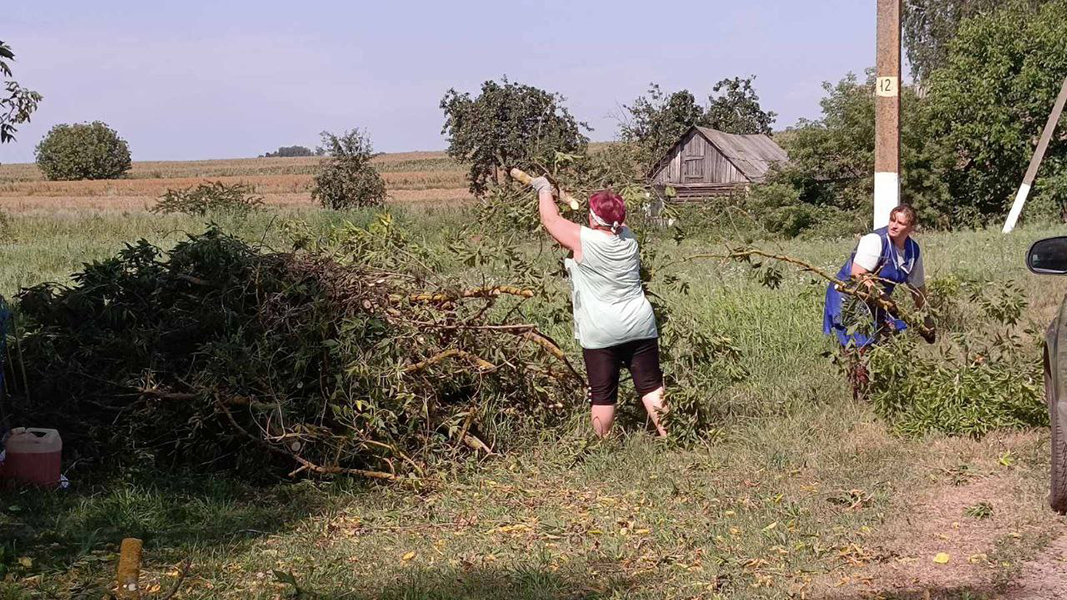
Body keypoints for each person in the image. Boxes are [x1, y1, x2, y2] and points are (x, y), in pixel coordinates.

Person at [528, 176, 666, 437]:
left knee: (603, 394)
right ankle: (673, 435)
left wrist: (544, 189)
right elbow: (612, 222)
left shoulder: (585, 241)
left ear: (593, 219)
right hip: (640, 324)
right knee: (651, 386)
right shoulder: (629, 238)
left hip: (602, 331)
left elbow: (551, 221)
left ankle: (601, 446)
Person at [823, 204, 934, 395]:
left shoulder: (913, 251)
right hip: (849, 297)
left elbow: (917, 289)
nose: (894, 226)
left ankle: (890, 388)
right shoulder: (875, 240)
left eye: (900, 223)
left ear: (911, 228)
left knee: (893, 336)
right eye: (892, 220)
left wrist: (927, 318)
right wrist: (883, 298)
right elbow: (858, 274)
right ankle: (861, 395)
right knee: (860, 346)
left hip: (877, 300)